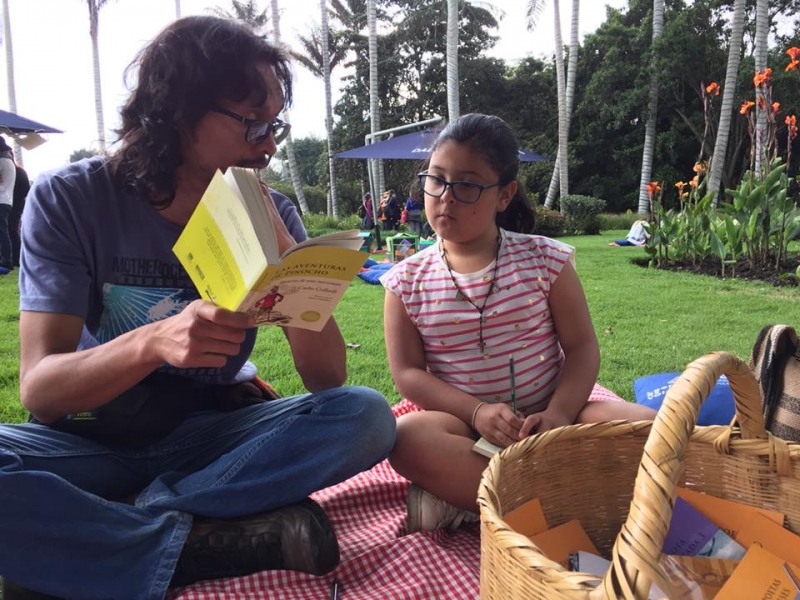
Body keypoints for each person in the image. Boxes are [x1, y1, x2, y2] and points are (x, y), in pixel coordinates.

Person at [1, 16, 395, 600]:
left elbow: (328, 381)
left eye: (275, 126)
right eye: (252, 124)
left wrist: (297, 277)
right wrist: (152, 340)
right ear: (177, 113)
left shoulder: (273, 212)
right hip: (88, 439)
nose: (268, 147)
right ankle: (199, 536)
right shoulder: (70, 199)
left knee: (366, 416)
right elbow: (41, 389)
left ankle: (112, 526)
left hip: (214, 435)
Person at [380, 114, 656, 533]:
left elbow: (581, 347)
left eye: (467, 185)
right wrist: (475, 411)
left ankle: (478, 505)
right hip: (468, 431)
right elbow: (408, 374)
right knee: (405, 437)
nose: (445, 197)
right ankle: (563, 505)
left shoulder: (546, 261)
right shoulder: (406, 281)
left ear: (504, 195)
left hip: (557, 416)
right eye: (435, 180)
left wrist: (559, 413)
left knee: (652, 429)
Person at [0, 136, 16, 274]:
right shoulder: (9, 161)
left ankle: (6, 262)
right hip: (6, 200)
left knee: (2, 232)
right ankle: (6, 261)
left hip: (1, 199)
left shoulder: (1, 161)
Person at [10, 159, 30, 267]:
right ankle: (16, 257)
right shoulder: (20, 171)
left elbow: (26, 189)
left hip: (15, 203)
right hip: (17, 203)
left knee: (12, 231)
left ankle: (17, 257)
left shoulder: (19, 172)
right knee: (13, 231)